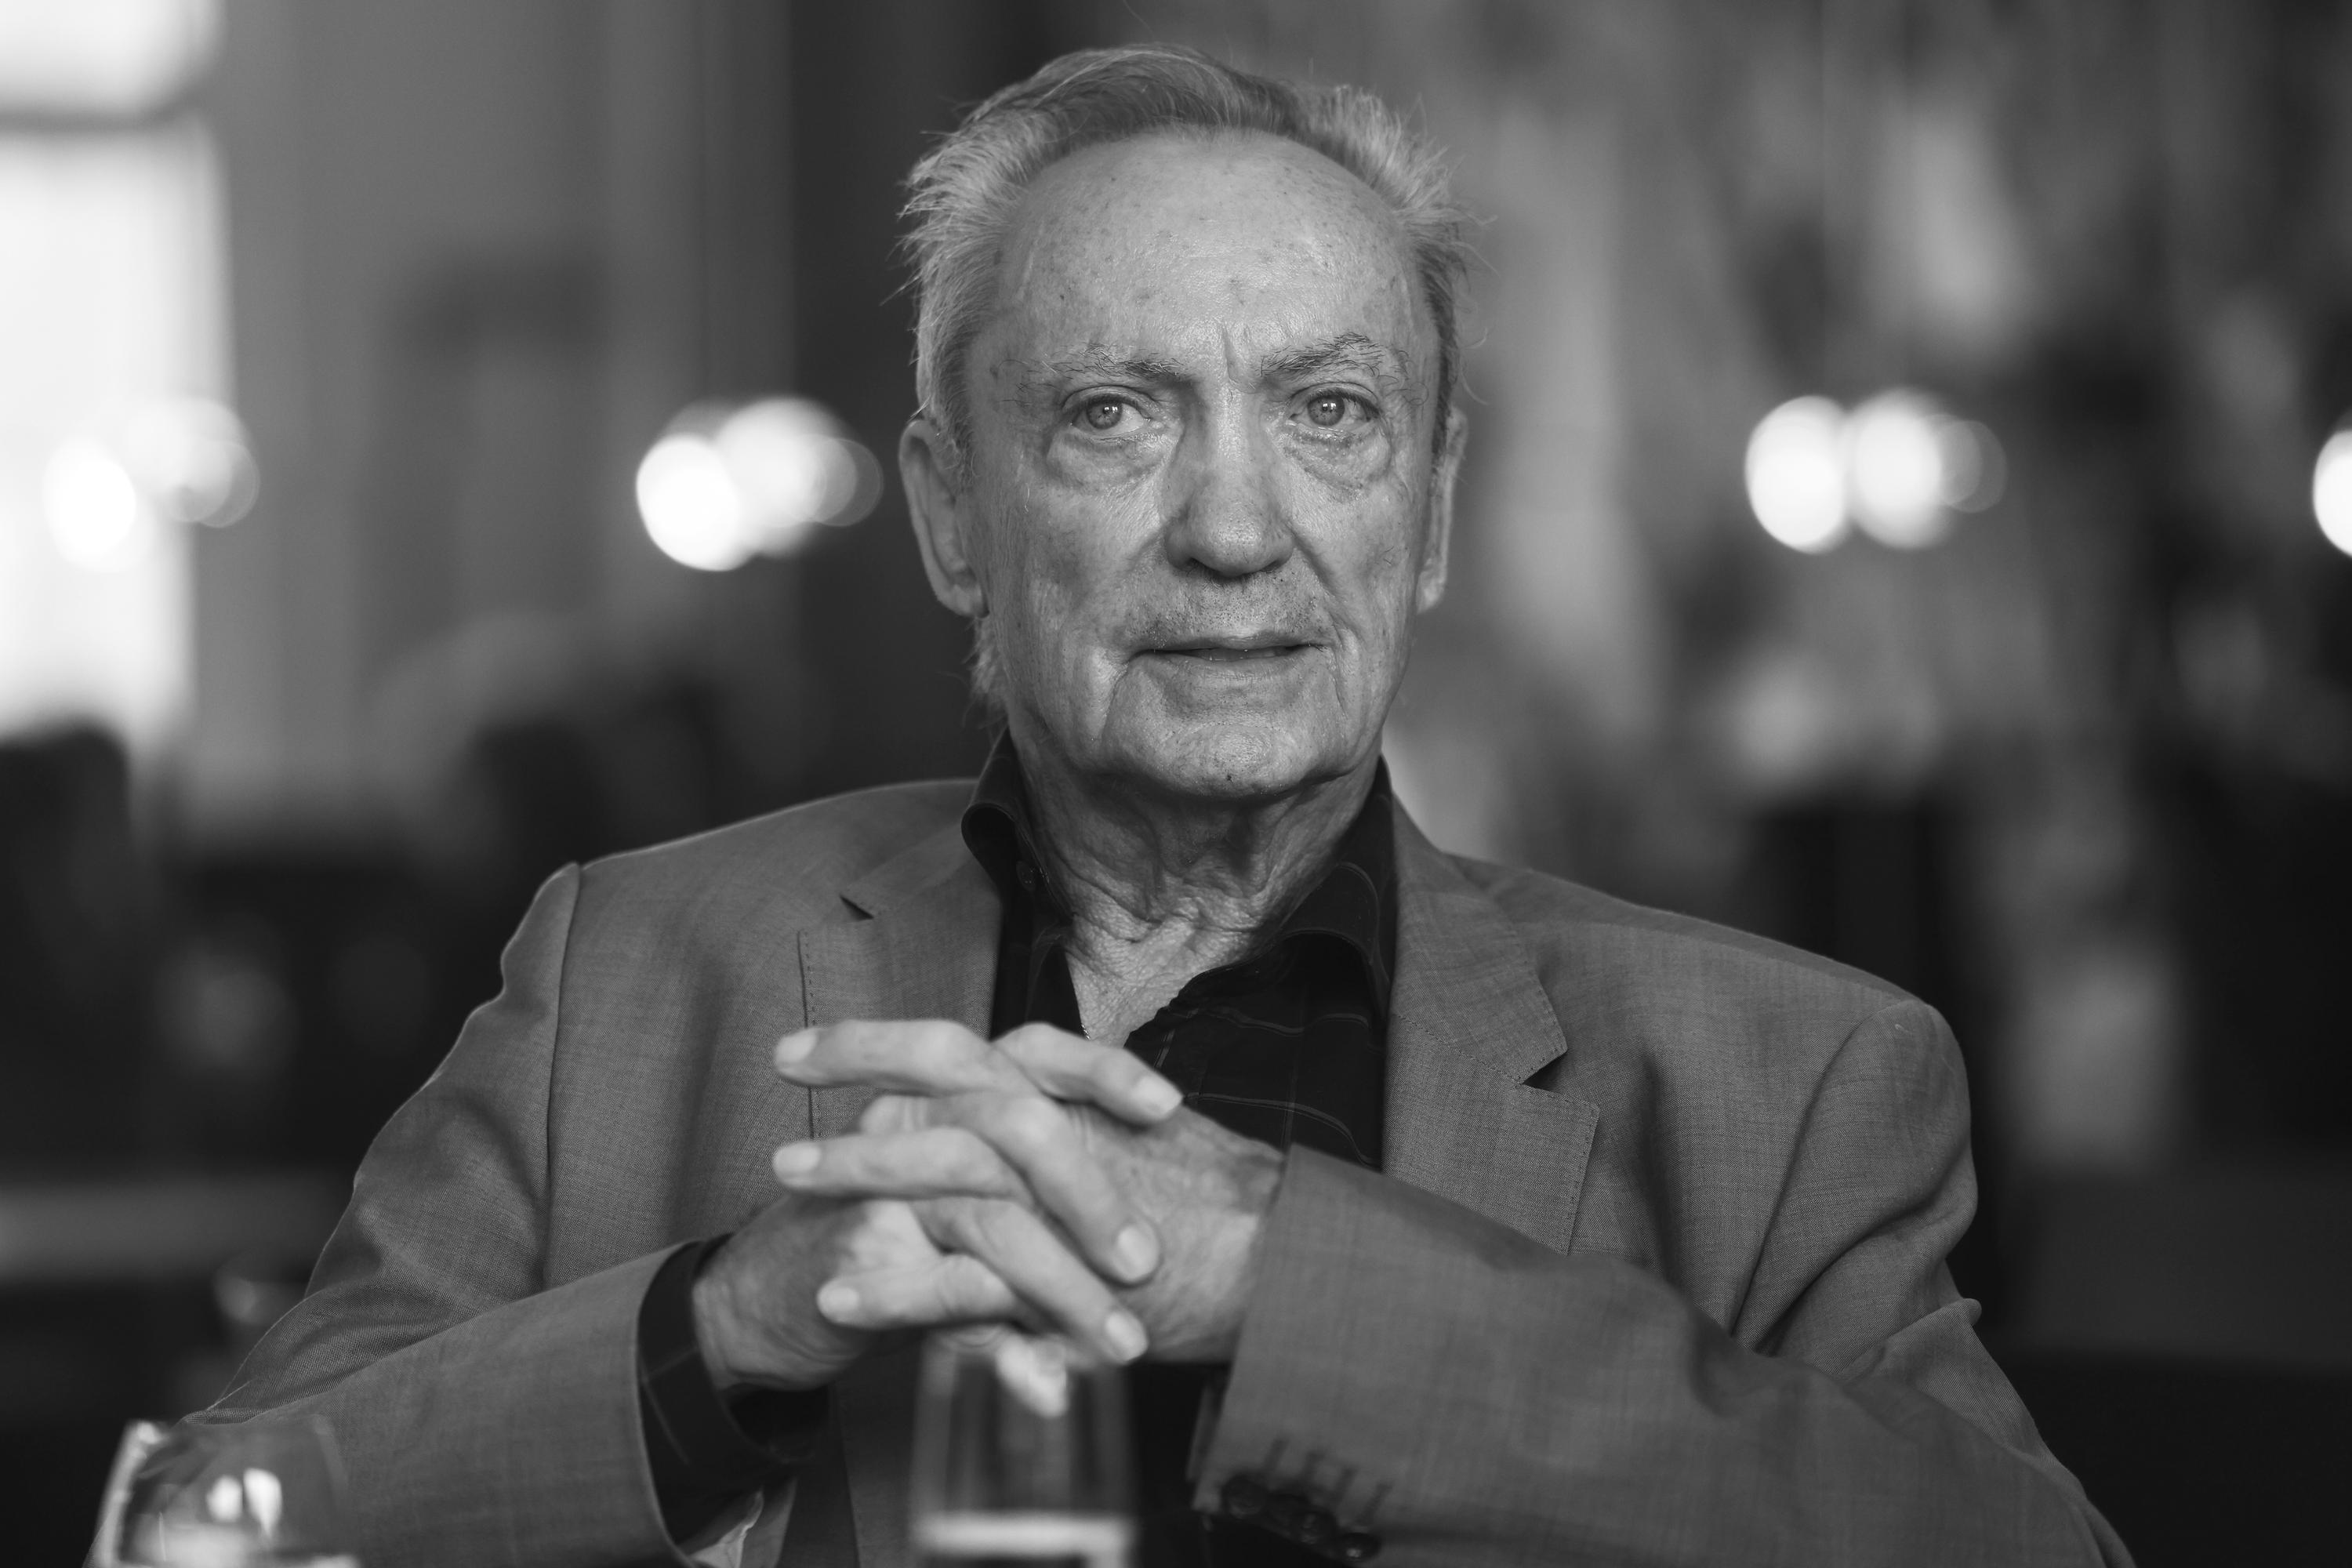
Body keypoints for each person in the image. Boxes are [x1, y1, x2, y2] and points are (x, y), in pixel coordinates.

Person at [205, 44, 2130, 1568]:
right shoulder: (629, 975)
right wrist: (716, 1334)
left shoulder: (1784, 1078)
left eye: (1330, 414)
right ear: (954, 517)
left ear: (1431, 514)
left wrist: (1293, 1283)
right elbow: (220, 1519)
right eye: (1115, 413)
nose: (1231, 530)